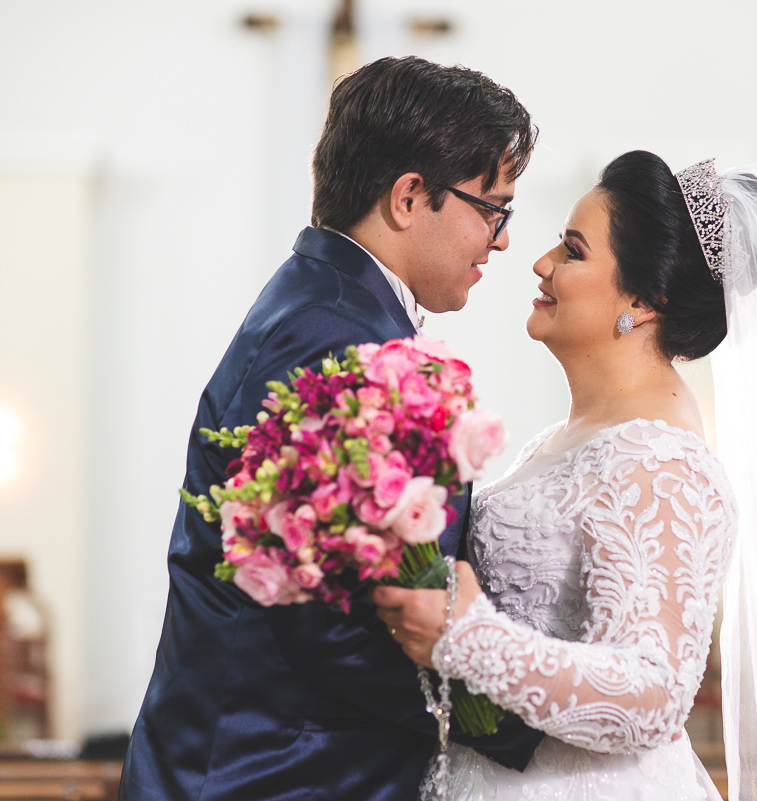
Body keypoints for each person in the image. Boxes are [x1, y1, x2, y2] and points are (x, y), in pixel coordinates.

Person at [374, 151, 757, 800]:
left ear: (644, 300)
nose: (541, 263)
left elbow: (651, 692)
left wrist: (468, 635)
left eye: (572, 251)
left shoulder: (661, 462)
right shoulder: (568, 439)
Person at [119, 56, 545, 801]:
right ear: (411, 196)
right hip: (277, 775)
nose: (502, 240)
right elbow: (337, 623)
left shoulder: (322, 304)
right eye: (492, 208)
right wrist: (524, 712)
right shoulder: (338, 338)